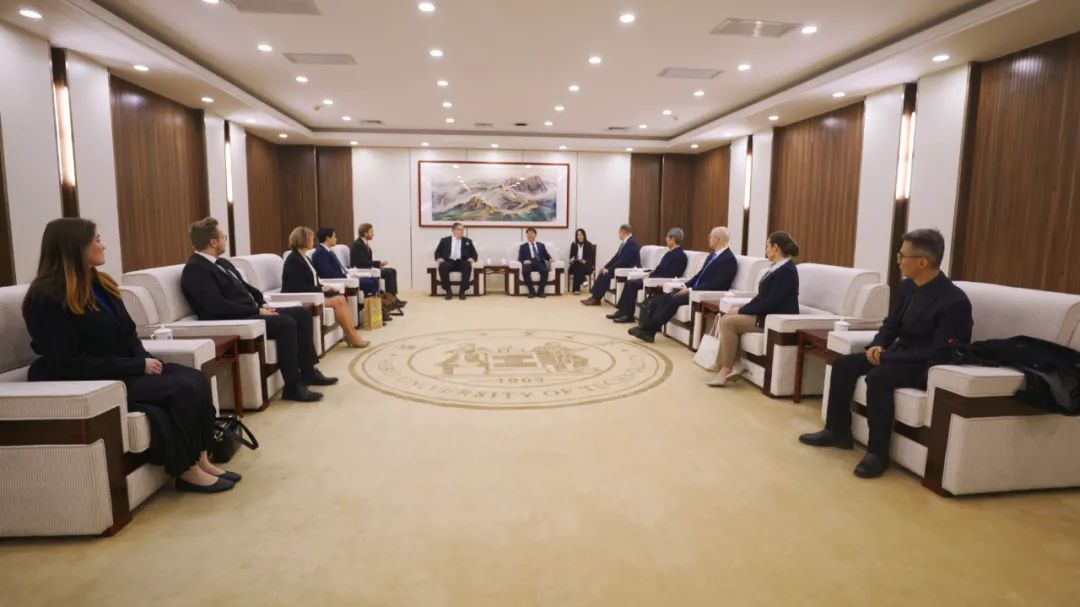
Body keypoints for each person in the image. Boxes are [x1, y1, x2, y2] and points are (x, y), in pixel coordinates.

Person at [22, 218, 238, 493]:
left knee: (196, 379)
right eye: (97, 240)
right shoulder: (45, 299)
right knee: (181, 389)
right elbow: (68, 362)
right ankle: (187, 471)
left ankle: (202, 459)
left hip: (128, 366)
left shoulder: (100, 284)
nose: (103, 246)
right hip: (96, 378)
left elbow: (128, 332)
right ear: (75, 247)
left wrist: (145, 359)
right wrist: (138, 366)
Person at [799, 229, 973, 479]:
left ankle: (877, 453)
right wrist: (877, 345)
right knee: (843, 365)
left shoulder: (953, 301)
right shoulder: (908, 287)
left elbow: (939, 352)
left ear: (922, 262)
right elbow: (891, 325)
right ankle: (838, 431)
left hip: (925, 366)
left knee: (879, 377)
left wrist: (887, 357)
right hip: (898, 355)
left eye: (902, 256)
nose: (898, 261)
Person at [181, 217, 334, 403]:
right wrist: (256, 310)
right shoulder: (195, 269)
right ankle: (292, 386)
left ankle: (308, 372)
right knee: (285, 323)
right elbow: (216, 307)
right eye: (223, 237)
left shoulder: (221, 263)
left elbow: (248, 289)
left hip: (251, 311)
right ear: (213, 242)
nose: (225, 241)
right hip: (235, 318)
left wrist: (262, 304)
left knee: (301, 314)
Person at [706, 231, 801, 386]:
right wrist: (741, 308)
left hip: (773, 318)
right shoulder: (777, 267)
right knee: (727, 318)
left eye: (767, 246)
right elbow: (761, 297)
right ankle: (735, 364)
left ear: (776, 248)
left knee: (727, 322)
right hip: (766, 313)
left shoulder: (787, 271)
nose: (766, 250)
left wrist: (741, 311)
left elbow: (771, 303)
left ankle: (726, 368)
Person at [628, 227, 738, 343]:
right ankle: (647, 330)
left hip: (704, 294)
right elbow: (699, 275)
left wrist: (691, 289)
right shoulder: (712, 256)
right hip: (694, 290)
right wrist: (685, 286)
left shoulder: (728, 259)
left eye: (710, 237)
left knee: (674, 299)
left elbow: (717, 284)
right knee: (662, 298)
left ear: (717, 239)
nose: (709, 239)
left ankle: (648, 331)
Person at [282, 227, 370, 349]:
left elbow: (312, 281)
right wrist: (320, 290)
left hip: (312, 294)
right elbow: (298, 286)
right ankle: (352, 337)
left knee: (341, 298)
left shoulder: (304, 257)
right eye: (311, 238)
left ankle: (351, 334)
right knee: (337, 301)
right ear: (303, 240)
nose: (314, 241)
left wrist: (322, 287)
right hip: (299, 298)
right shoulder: (293, 260)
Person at [608, 227, 688, 323]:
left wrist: (652, 277)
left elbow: (671, 274)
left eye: (667, 237)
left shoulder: (680, 256)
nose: (666, 239)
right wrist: (650, 273)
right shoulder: (669, 253)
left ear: (673, 239)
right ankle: (622, 311)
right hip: (653, 278)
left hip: (658, 281)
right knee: (629, 282)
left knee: (632, 284)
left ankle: (627, 315)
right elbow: (660, 269)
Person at [311, 227, 379, 299]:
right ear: (328, 238)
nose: (336, 239)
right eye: (334, 237)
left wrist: (349, 274)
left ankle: (371, 303)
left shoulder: (327, 251)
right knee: (369, 283)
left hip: (342, 277)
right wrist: (347, 276)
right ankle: (367, 304)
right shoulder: (320, 253)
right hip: (337, 280)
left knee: (373, 280)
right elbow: (327, 274)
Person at [581, 224, 640, 306]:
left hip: (629, 268)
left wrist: (609, 269)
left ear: (623, 232)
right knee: (603, 272)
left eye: (619, 232)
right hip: (622, 266)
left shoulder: (631, 243)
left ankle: (596, 299)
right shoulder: (624, 243)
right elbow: (615, 258)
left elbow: (623, 261)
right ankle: (594, 297)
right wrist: (605, 267)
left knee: (606, 274)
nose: (619, 234)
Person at [351, 223, 404, 303]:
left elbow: (367, 260)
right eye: (371, 232)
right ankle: (391, 300)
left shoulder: (364, 243)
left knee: (393, 270)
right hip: (362, 271)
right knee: (388, 273)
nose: (373, 234)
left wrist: (377, 265)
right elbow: (361, 262)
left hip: (368, 269)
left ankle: (394, 297)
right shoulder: (358, 244)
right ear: (365, 233)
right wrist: (378, 263)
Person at [434, 222, 478, 300]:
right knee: (442, 266)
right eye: (460, 229)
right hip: (449, 261)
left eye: (462, 229)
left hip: (462, 261)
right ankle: (448, 291)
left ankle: (462, 292)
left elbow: (474, 254)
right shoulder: (444, 240)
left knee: (467, 265)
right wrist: (439, 258)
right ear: (453, 230)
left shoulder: (467, 241)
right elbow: (437, 252)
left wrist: (472, 259)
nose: (462, 231)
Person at [517, 227, 552, 298]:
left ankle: (540, 292)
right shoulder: (523, 247)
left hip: (539, 262)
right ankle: (531, 291)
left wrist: (550, 258)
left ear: (535, 235)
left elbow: (546, 255)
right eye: (528, 234)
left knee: (545, 271)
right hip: (529, 263)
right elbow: (520, 259)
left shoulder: (541, 245)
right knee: (525, 271)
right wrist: (525, 261)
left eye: (531, 233)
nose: (530, 235)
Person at [568, 228, 596, 295]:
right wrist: (572, 259)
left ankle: (576, 289)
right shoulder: (574, 244)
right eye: (578, 235)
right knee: (577, 264)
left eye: (581, 235)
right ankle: (583, 280)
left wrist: (585, 261)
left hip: (586, 266)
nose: (580, 236)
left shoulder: (588, 244)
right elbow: (571, 256)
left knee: (578, 266)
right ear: (576, 236)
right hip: (576, 264)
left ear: (584, 235)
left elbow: (591, 257)